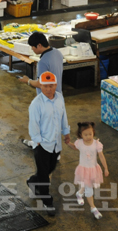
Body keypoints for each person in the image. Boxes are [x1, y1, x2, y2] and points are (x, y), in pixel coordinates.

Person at [27, 71, 70, 216]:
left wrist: (66, 132)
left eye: (51, 86)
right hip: (42, 145)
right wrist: (37, 141)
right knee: (45, 176)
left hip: (56, 143)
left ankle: (33, 181)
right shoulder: (36, 104)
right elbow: (33, 124)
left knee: (50, 168)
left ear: (56, 85)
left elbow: (64, 116)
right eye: (45, 86)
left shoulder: (59, 98)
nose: (48, 89)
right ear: (41, 86)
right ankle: (47, 201)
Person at [19, 32, 64, 155]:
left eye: (33, 47)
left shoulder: (43, 62)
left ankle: (48, 151)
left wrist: (27, 81)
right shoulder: (58, 53)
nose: (32, 50)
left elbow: (40, 83)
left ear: (39, 45)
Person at [66, 122, 109, 220]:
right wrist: (68, 143)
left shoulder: (96, 144)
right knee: (89, 188)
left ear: (93, 132)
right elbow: (75, 147)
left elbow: (101, 156)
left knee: (87, 184)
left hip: (93, 169)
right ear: (81, 135)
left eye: (90, 134)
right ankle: (93, 208)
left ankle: (79, 193)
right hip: (83, 169)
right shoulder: (80, 143)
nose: (88, 136)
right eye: (85, 135)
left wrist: (106, 168)